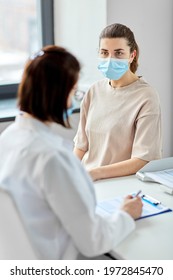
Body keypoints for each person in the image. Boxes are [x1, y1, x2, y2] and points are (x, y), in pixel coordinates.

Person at [0, 45, 142, 260]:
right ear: (60, 95)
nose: (74, 98)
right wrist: (126, 214)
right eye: (74, 92)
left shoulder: (9, 138)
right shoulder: (52, 157)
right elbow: (94, 241)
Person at [73, 23, 162, 181]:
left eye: (118, 53)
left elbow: (143, 159)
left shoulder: (146, 97)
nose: (110, 59)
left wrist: (95, 173)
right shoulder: (94, 91)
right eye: (104, 52)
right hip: (87, 180)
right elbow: (81, 146)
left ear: (132, 55)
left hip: (119, 183)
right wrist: (69, 172)